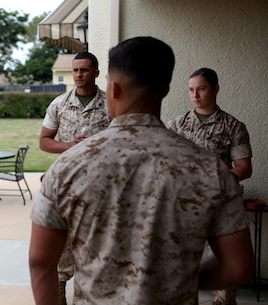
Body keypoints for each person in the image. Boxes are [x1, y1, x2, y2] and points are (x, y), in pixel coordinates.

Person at [29, 36, 255, 305]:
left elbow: (40, 263)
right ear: (166, 89)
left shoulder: (67, 168)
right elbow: (238, 267)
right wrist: (172, 279)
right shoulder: (211, 170)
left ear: (112, 89)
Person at [168, 67, 253, 305]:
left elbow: (244, 168)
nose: (195, 95)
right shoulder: (176, 125)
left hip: (221, 205)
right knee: (183, 268)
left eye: (201, 89)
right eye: (191, 90)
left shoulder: (234, 126)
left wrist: (218, 178)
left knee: (222, 269)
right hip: (184, 205)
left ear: (215, 89)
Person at [39, 51, 111, 305]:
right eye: (76, 70)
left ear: (96, 73)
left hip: (100, 190)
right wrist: (70, 146)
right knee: (63, 246)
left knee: (98, 247)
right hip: (66, 188)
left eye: (85, 70)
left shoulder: (112, 104)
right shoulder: (59, 104)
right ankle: (60, 296)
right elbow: (44, 142)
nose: (79, 75)